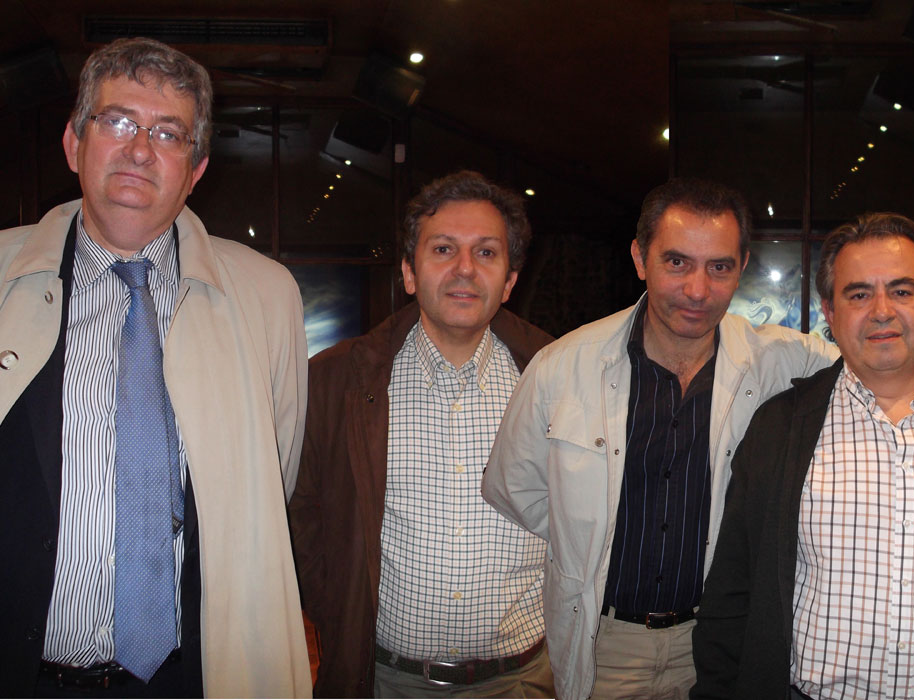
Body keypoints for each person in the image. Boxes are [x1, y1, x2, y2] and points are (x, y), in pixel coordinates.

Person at [481, 178, 914, 700]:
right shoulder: (561, 367)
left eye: (719, 267)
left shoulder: (777, 358)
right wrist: (590, 534)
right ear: (640, 258)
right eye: (677, 262)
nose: (698, 290)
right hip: (607, 645)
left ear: (742, 267)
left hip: (721, 634)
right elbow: (515, 489)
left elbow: (882, 346)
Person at [0, 38, 311, 697]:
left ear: (195, 170)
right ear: (73, 143)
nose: (140, 150)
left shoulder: (266, 295)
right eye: (117, 122)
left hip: (190, 678)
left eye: (168, 134)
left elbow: (272, 477)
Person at [691, 212, 914, 699]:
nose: (881, 311)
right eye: (858, 295)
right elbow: (732, 593)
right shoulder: (780, 428)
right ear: (829, 314)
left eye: (902, 291)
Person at [289, 170, 555, 698]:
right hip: (384, 681)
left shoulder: (556, 379)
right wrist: (339, 613)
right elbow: (302, 515)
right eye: (443, 249)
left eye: (485, 252)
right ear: (409, 272)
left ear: (509, 280)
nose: (464, 269)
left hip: (521, 682)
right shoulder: (336, 380)